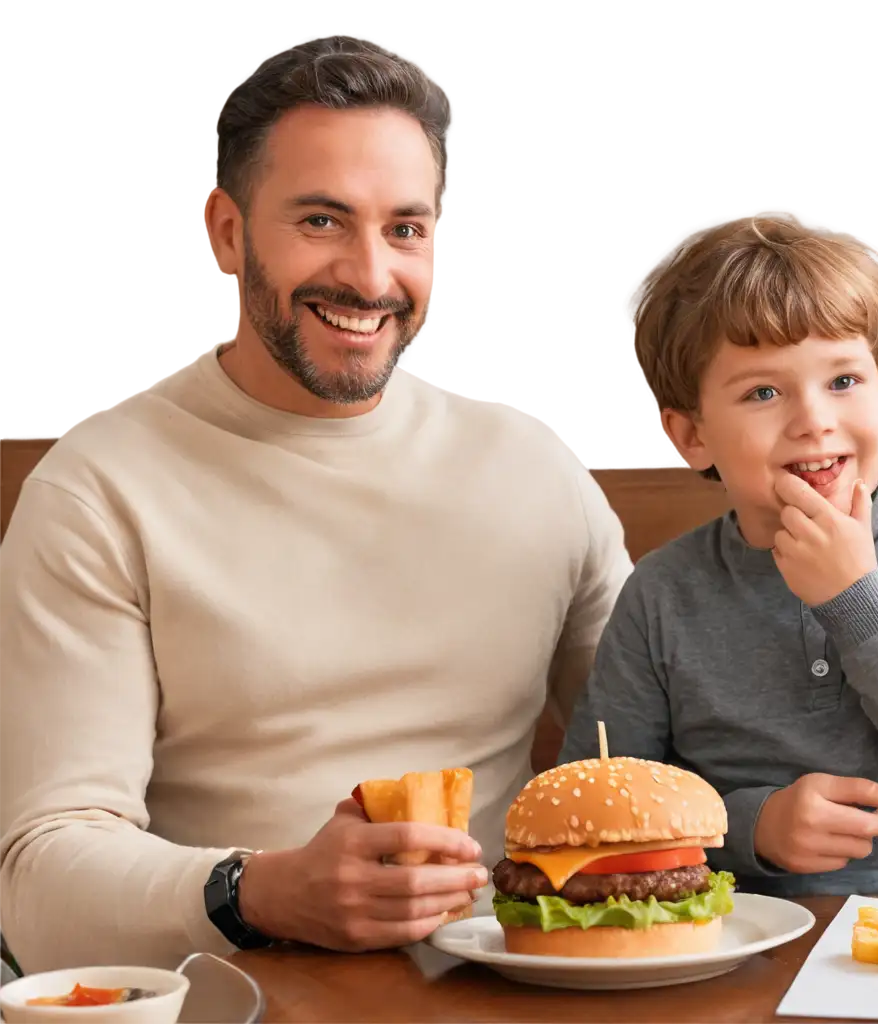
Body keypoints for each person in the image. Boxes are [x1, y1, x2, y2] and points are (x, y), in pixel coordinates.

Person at [0, 32, 633, 973]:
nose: (371, 279)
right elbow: (40, 888)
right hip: (238, 988)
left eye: (405, 228)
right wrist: (263, 890)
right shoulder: (98, 489)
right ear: (225, 231)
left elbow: (669, 747)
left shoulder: (536, 468)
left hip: (513, 982)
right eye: (322, 221)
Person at [558, 209, 878, 900]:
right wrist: (750, 827)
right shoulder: (663, 593)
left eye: (842, 381)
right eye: (764, 392)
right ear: (691, 435)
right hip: (729, 911)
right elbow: (596, 804)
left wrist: (856, 601)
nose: (814, 419)